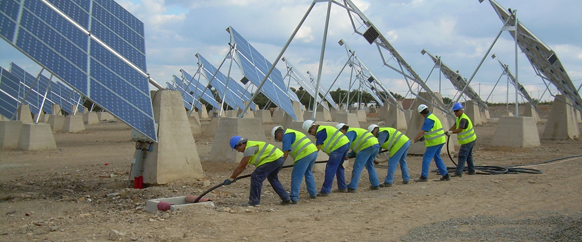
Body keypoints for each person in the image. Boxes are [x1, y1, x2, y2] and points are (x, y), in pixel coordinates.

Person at [223, 136, 291, 206]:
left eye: (237, 148)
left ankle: (254, 202)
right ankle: (286, 198)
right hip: (279, 158)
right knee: (272, 178)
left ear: (242, 144)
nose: (238, 151)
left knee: (256, 177)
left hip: (273, 159)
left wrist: (232, 178)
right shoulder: (251, 145)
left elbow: (241, 167)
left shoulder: (249, 148)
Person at [302, 119, 350, 196]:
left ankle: (325, 191)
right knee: (339, 167)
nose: (311, 134)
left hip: (338, 147)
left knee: (330, 168)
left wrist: (309, 157)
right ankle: (342, 187)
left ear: (313, 127)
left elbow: (317, 148)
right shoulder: (324, 129)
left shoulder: (320, 132)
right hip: (345, 143)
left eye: (310, 132)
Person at [271, 126, 318, 204]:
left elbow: (285, 153)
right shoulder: (292, 132)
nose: (279, 140)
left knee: (296, 176)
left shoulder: (286, 136)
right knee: (308, 172)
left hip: (304, 154)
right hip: (313, 152)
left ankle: (294, 197)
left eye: (277, 138)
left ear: (278, 134)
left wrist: (278, 166)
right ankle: (313, 193)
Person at [335, 123, 380, 192]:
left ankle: (352, 187)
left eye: (340, 132)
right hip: (375, 145)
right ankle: (375, 184)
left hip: (367, 146)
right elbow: (356, 148)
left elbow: (347, 144)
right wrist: (349, 155)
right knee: (369, 165)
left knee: (357, 167)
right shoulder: (355, 131)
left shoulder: (349, 133)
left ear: (343, 129)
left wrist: (343, 155)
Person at [412, 104, 450, 182]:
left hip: (434, 142)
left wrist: (414, 140)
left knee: (426, 158)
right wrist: (424, 137)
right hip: (440, 140)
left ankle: (424, 176)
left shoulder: (428, 119)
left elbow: (422, 131)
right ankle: (445, 175)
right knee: (437, 157)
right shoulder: (433, 117)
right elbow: (431, 130)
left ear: (422, 113)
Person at [446, 103, 477, 177]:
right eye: (454, 111)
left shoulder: (463, 119)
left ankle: (459, 172)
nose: (455, 113)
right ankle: (471, 170)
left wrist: (452, 132)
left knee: (462, 156)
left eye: (457, 111)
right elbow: (455, 125)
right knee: (468, 156)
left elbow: (460, 129)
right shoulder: (458, 118)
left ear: (461, 110)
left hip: (468, 140)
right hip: (470, 139)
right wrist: (448, 131)